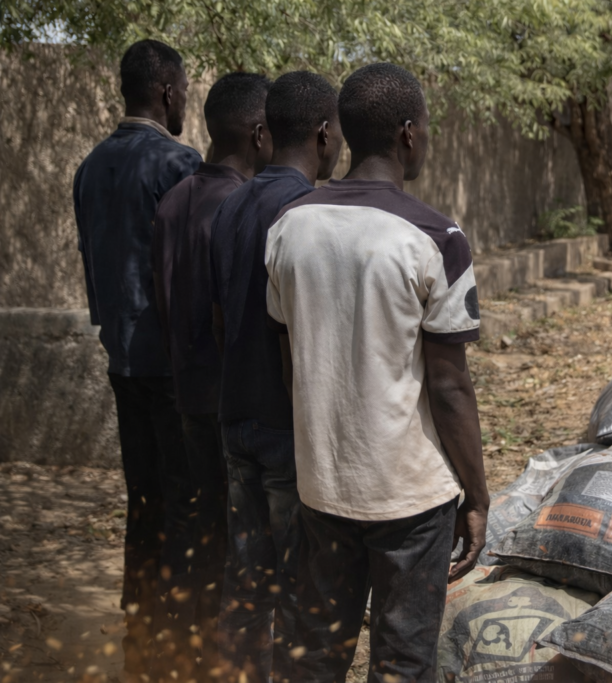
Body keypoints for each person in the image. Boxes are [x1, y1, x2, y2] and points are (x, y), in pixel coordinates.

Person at [264, 63, 489, 682]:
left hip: (321, 487)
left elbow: (291, 362)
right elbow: (449, 388)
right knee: (402, 662)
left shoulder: (288, 227)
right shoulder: (437, 237)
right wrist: (477, 496)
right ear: (408, 133)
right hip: (409, 499)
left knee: (312, 658)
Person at [73, 38, 201, 678]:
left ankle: (140, 627)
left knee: (144, 496)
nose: (186, 103)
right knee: (185, 500)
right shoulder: (179, 163)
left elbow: (91, 264)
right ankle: (176, 635)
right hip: (172, 366)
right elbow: (192, 273)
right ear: (167, 92)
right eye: (184, 92)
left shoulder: (91, 166)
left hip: (122, 359)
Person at [208, 70, 342, 682]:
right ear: (323, 134)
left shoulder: (230, 203)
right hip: (289, 428)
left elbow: (219, 316)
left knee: (246, 580)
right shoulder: (308, 213)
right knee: (298, 586)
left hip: (236, 416)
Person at [150, 71, 273, 674]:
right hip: (236, 406)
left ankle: (196, 652)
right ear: (259, 134)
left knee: (206, 532)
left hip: (187, 396)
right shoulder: (242, 207)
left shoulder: (174, 199)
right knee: (244, 546)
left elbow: (163, 302)